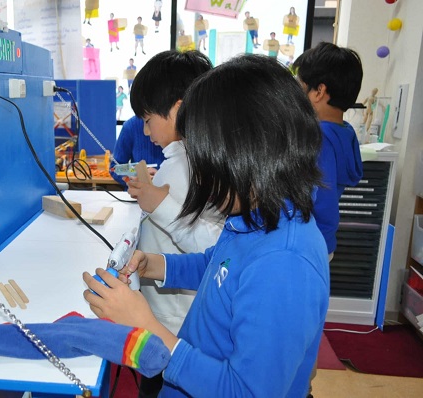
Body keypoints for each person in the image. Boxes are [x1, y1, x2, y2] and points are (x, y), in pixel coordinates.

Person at [83, 54, 329, 398]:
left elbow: (244, 391)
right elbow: (216, 266)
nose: (199, 177)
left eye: (203, 163)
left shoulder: (285, 264)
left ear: (245, 155)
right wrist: (154, 264)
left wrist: (149, 329)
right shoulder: (254, 218)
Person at [127, 50, 225, 397]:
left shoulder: (188, 163)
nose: (144, 128)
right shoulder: (182, 160)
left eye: (148, 117)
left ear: (180, 109)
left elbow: (214, 248)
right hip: (169, 309)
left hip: (175, 321)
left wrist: (158, 204)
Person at [293, 41, 364, 398]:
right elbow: (349, 176)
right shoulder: (345, 132)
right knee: (310, 314)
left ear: (319, 91)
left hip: (311, 242)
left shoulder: (317, 136)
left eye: (299, 84)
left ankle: (299, 384)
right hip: (326, 244)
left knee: (297, 320)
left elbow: (316, 197)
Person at [109, 115, 165, 187]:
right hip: (138, 194)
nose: (146, 132)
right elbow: (114, 168)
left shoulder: (178, 125)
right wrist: (131, 180)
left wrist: (162, 178)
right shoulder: (130, 126)